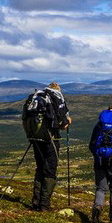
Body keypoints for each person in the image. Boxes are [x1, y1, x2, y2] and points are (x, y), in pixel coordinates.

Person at [26, 82, 72, 211]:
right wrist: (68, 122)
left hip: (35, 138)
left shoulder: (36, 97)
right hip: (51, 139)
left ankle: (36, 201)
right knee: (50, 170)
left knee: (40, 167)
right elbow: (63, 124)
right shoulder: (56, 98)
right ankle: (45, 204)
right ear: (58, 90)